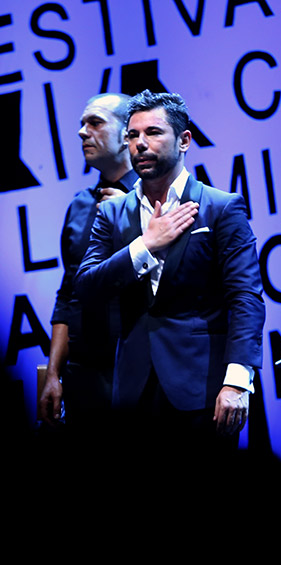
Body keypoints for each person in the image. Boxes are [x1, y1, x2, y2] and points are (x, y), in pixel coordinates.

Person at [74, 90, 266, 449]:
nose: (140, 144)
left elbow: (246, 299)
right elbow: (85, 288)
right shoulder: (112, 212)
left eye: (153, 132)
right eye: (133, 135)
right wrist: (145, 246)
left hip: (203, 388)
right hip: (133, 389)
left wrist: (237, 381)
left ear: (184, 141)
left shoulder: (220, 208)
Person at [38, 92, 139, 433]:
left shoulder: (158, 200)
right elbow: (68, 295)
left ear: (127, 134)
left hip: (147, 371)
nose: (82, 132)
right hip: (85, 376)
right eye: (82, 124)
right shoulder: (79, 206)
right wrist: (53, 374)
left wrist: (132, 215)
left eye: (95, 123)